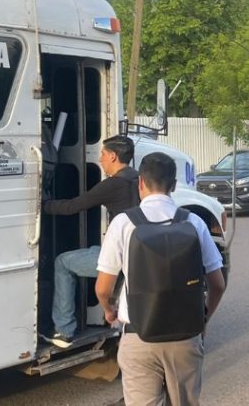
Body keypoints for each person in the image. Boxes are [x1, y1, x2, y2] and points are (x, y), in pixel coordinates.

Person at [95, 152, 226, 406]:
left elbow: (103, 288)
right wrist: (204, 317)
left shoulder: (123, 223)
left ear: (140, 183)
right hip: (185, 338)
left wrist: (109, 310)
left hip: (138, 335)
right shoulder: (194, 222)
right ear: (174, 186)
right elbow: (218, 283)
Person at [44, 134, 140, 348]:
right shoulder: (140, 179)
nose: (100, 160)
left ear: (114, 157)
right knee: (94, 250)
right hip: (138, 254)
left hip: (120, 257)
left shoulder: (113, 184)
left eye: (103, 155)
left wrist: (43, 204)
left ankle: (63, 330)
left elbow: (72, 207)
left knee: (63, 262)